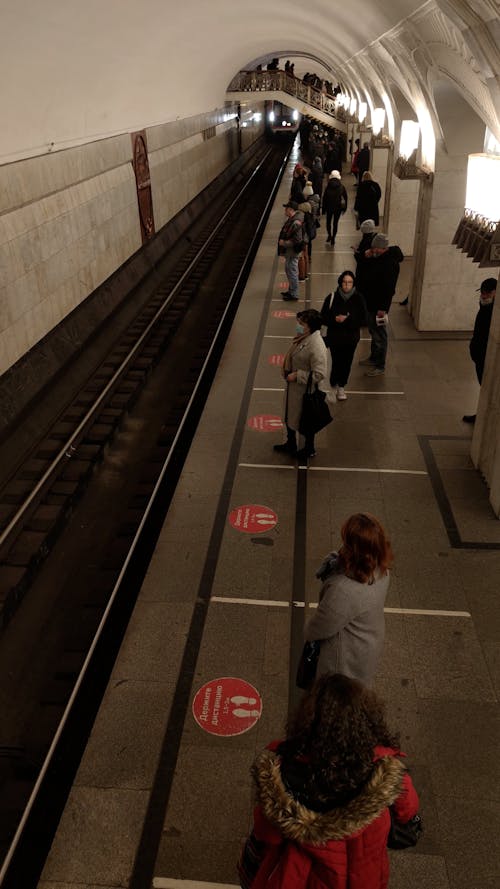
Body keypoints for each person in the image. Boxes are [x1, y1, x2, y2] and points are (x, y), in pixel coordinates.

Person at [243, 673, 420, 889]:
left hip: (299, 878)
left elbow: (266, 834)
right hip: (363, 877)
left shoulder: (282, 769)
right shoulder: (385, 770)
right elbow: (408, 817)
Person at [304, 513, 392, 686]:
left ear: (354, 550)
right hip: (367, 645)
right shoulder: (381, 570)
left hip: (343, 659)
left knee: (335, 701)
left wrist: (307, 631)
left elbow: (321, 627)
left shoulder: (343, 590)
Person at [273, 309, 328, 460]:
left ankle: (309, 448)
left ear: (310, 326)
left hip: (305, 391)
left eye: (301, 323)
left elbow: (320, 373)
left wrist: (298, 375)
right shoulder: (304, 337)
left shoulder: (316, 345)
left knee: (306, 420)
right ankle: (291, 443)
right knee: (290, 416)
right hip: (294, 389)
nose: (298, 326)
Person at [356, 233, 404, 375]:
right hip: (370, 301)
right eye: (372, 248)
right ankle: (373, 357)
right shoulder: (378, 258)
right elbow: (364, 270)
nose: (373, 250)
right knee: (373, 332)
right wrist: (366, 256)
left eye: (375, 248)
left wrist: (383, 308)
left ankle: (380, 365)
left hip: (379, 306)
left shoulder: (390, 264)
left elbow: (389, 289)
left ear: (383, 248)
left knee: (380, 336)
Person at [320, 271, 367, 401]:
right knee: (336, 361)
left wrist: (347, 319)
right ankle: (334, 380)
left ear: (353, 284)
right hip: (334, 337)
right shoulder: (332, 297)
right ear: (340, 283)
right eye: (344, 282)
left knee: (346, 362)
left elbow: (363, 320)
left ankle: (341, 386)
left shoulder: (359, 298)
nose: (347, 285)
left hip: (351, 339)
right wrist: (334, 319)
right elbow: (323, 317)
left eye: (350, 282)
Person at [463, 277, 497, 423]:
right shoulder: (485, 306)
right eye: (482, 293)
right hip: (479, 354)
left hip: (487, 356)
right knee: (483, 387)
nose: (483, 296)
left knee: (488, 389)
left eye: (487, 294)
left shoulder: (495, 311)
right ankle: (482, 414)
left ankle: (486, 418)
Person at [277, 202, 304, 302]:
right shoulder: (292, 219)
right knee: (289, 270)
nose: (285, 210)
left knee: (292, 272)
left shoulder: (296, 222)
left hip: (293, 252)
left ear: (291, 210)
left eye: (286, 208)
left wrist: (284, 243)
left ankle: (294, 294)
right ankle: (291, 290)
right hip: (290, 252)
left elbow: (297, 240)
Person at [322, 171, 348, 247]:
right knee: (335, 223)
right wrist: (344, 209)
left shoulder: (328, 187)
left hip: (329, 208)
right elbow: (345, 199)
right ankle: (333, 238)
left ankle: (329, 235)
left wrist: (323, 210)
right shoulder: (342, 187)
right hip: (338, 208)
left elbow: (324, 199)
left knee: (328, 222)